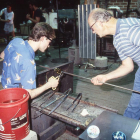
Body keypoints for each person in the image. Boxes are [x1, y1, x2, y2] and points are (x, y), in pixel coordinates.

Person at [88, 8, 140, 120]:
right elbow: (128, 66)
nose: (92, 31)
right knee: (134, 106)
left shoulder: (130, 30)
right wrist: (105, 77)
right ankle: (126, 131)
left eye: (92, 27)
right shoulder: (117, 38)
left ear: (99, 23)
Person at [0, 22, 59, 99]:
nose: (49, 45)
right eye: (49, 41)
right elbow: (27, 95)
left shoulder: (16, 41)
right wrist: (49, 84)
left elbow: (2, 55)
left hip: (2, 88)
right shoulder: (28, 62)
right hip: (13, 98)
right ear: (43, 38)